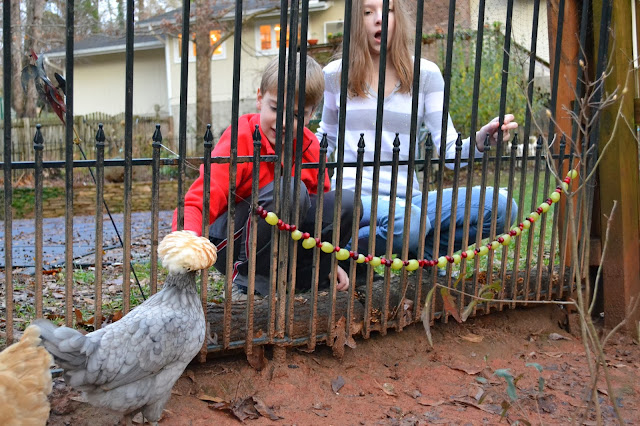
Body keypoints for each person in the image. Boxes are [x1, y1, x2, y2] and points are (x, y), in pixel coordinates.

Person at [316, 0, 518, 262]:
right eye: (368, 12)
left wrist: (481, 141)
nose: (379, 19)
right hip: (357, 204)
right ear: (356, 22)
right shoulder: (334, 74)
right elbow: (325, 140)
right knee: (408, 226)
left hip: (410, 203)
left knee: (502, 208)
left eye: (387, 10)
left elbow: (448, 151)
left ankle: (421, 254)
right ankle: (346, 252)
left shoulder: (426, 74)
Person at [173, 53, 358, 299]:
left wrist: (332, 261)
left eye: (295, 114)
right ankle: (250, 284)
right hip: (233, 239)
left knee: (345, 202)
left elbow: (320, 215)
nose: (282, 122)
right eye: (275, 108)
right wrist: (186, 241)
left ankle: (309, 276)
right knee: (291, 190)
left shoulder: (312, 146)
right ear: (260, 98)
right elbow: (202, 198)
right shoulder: (241, 136)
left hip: (285, 242)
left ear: (311, 113)